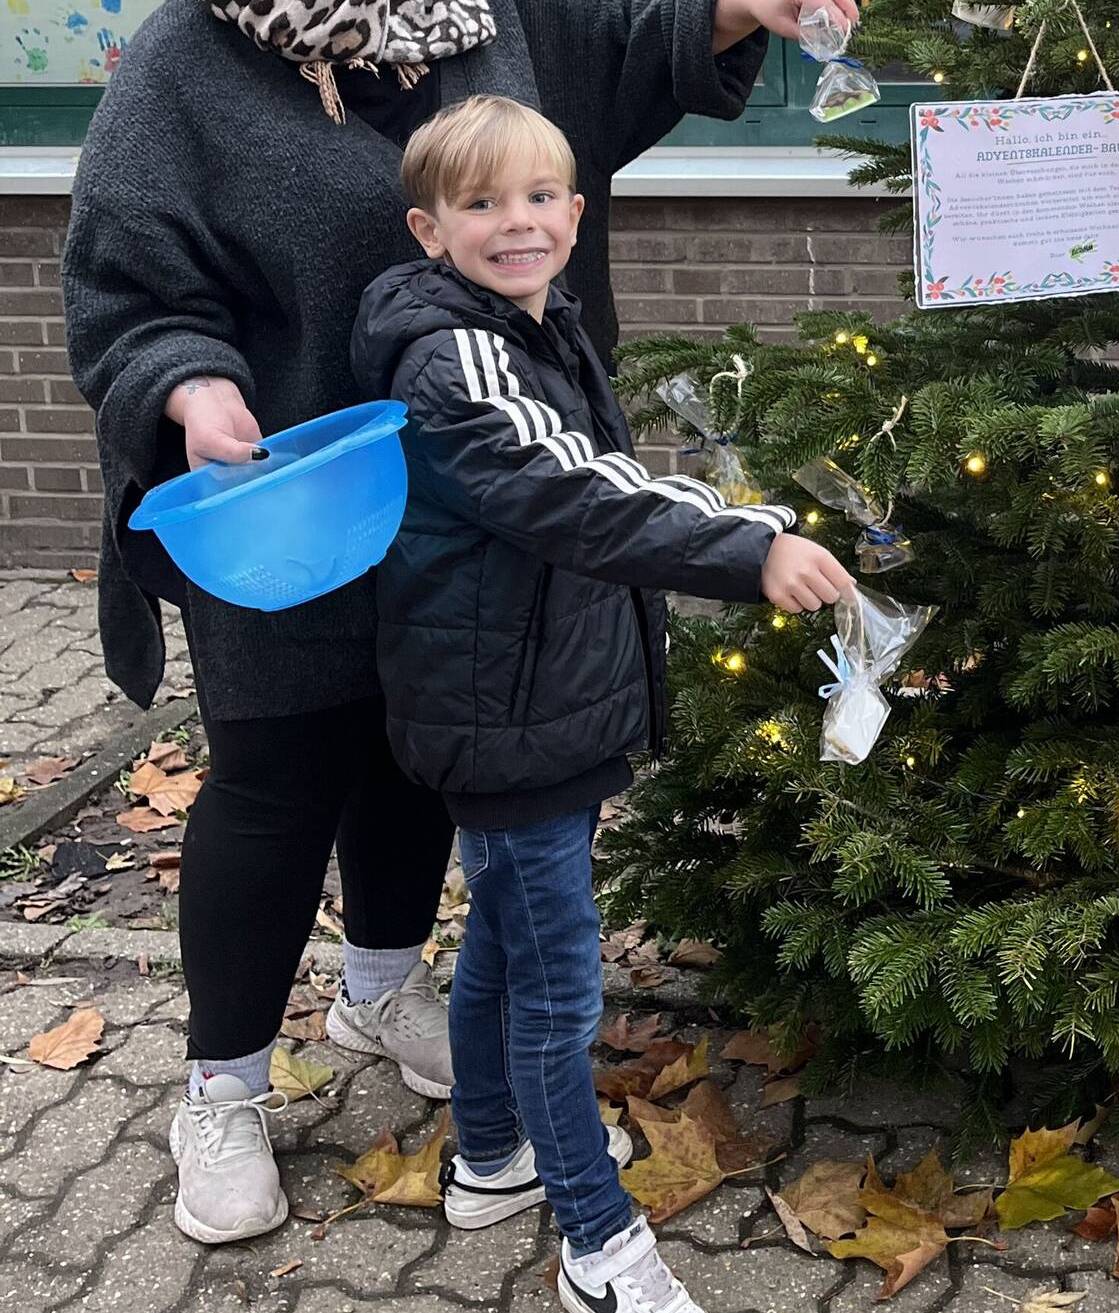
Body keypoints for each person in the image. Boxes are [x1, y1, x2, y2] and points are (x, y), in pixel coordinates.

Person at [63, 0, 856, 1248]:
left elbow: (624, 60)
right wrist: (187, 379)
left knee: (413, 742)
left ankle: (381, 984)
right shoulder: (186, 60)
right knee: (277, 770)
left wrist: (736, 11)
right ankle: (221, 1086)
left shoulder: (496, 18)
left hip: (476, 509)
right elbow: (126, 280)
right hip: (290, 487)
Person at [352, 94, 855, 1313]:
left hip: (538, 699)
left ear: (575, 215)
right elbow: (579, 493)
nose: (514, 223)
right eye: (480, 205)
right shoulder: (457, 355)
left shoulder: (533, 321)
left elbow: (597, 479)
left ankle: (489, 1158)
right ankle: (598, 1244)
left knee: (507, 946)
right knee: (558, 989)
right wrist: (749, 547)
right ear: (431, 229)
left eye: (536, 198)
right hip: (506, 716)